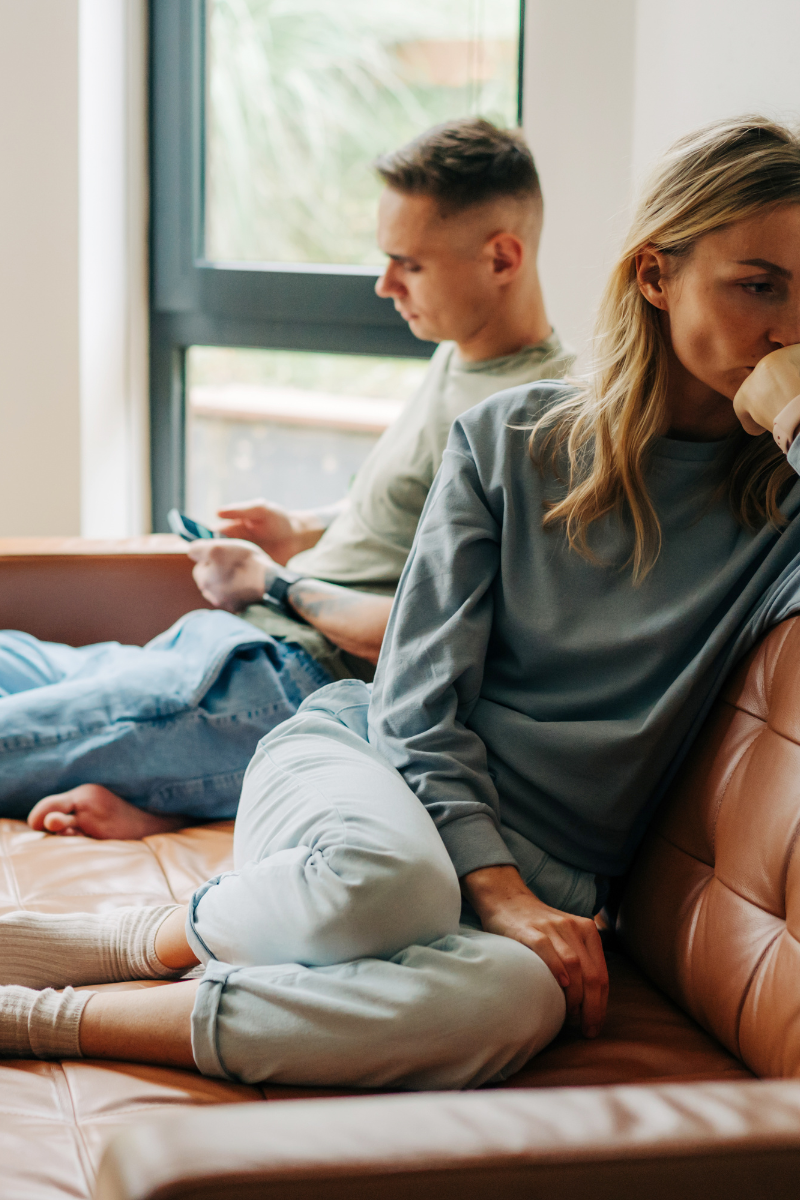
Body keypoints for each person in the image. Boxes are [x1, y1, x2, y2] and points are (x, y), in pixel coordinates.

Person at [2, 115, 800, 1089]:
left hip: (542, 871)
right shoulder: (509, 439)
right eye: (759, 285)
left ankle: (37, 1018)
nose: (789, 327)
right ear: (655, 277)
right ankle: (133, 939)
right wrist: (495, 890)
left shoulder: (781, 508)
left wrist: (794, 414)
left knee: (514, 1005)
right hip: (371, 765)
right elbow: (417, 701)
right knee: (395, 885)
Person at [0, 118, 572, 841]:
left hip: (289, 682)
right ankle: (172, 792)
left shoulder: (536, 423)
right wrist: (301, 528)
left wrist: (271, 581)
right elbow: (411, 515)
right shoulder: (463, 351)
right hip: (229, 650)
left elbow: (439, 642)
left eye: (410, 265)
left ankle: (179, 783)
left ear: (501, 258)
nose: (385, 284)